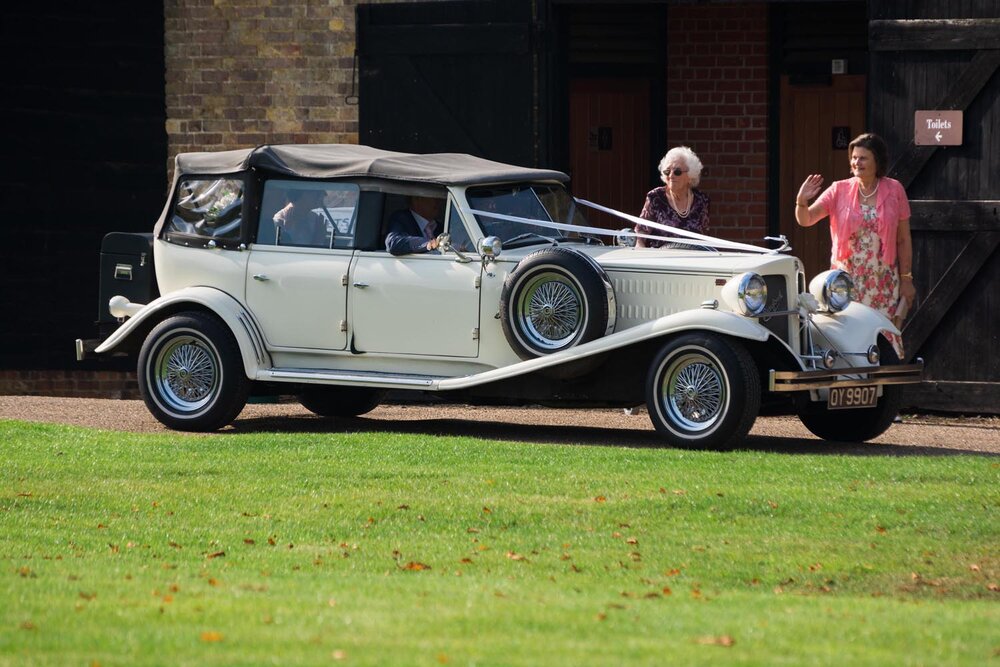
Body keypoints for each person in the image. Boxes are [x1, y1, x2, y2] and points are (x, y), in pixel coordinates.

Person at [795, 132, 915, 357]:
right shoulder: (838, 189)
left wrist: (907, 279)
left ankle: (882, 389)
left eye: (863, 158)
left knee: (883, 337)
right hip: (845, 282)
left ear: (877, 161)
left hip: (883, 282)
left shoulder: (895, 189)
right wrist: (801, 200)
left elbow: (903, 239)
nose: (856, 162)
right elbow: (806, 220)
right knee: (847, 335)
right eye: (854, 157)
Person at [634, 146, 710, 247]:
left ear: (690, 175)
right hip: (662, 260)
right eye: (667, 171)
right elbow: (640, 235)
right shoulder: (655, 198)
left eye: (677, 172)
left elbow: (704, 237)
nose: (671, 175)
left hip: (692, 259)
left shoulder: (702, 200)